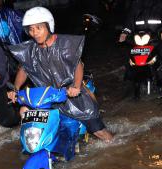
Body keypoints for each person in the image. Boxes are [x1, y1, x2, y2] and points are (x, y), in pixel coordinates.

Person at [8, 7, 114, 142]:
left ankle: (117, 144)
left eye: (38, 28)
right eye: (31, 29)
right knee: (24, 110)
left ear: (48, 26)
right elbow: (23, 70)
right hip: (47, 98)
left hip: (72, 95)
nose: (34, 33)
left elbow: (78, 65)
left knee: (99, 132)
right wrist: (15, 89)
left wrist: (75, 87)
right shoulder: (29, 50)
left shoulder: (65, 43)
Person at [119, 0, 162, 99]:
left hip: (156, 39)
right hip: (139, 39)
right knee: (128, 54)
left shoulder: (161, 4)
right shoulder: (136, 4)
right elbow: (129, 21)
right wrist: (125, 33)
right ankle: (129, 80)